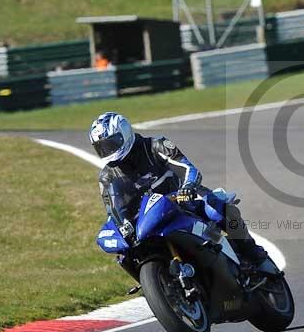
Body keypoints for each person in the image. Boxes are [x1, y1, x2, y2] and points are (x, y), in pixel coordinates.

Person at [89, 111, 267, 280]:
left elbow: (188, 168)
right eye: (101, 148)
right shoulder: (107, 176)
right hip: (149, 220)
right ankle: (157, 282)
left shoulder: (155, 146)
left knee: (218, 209)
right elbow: (113, 209)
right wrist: (123, 226)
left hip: (184, 200)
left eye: (111, 144)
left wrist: (189, 186)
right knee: (124, 252)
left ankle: (252, 251)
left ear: (125, 133)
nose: (108, 151)